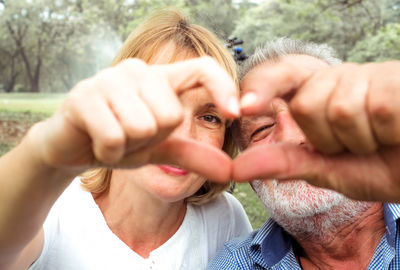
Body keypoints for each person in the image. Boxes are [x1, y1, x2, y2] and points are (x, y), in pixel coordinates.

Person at [0, 9, 253, 270]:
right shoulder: (52, 209)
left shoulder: (226, 218)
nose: (184, 135)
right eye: (162, 100)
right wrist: (44, 155)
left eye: (210, 117)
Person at [208, 38, 400, 269]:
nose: (290, 137)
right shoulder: (234, 263)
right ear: (253, 179)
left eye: (315, 111)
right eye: (261, 129)